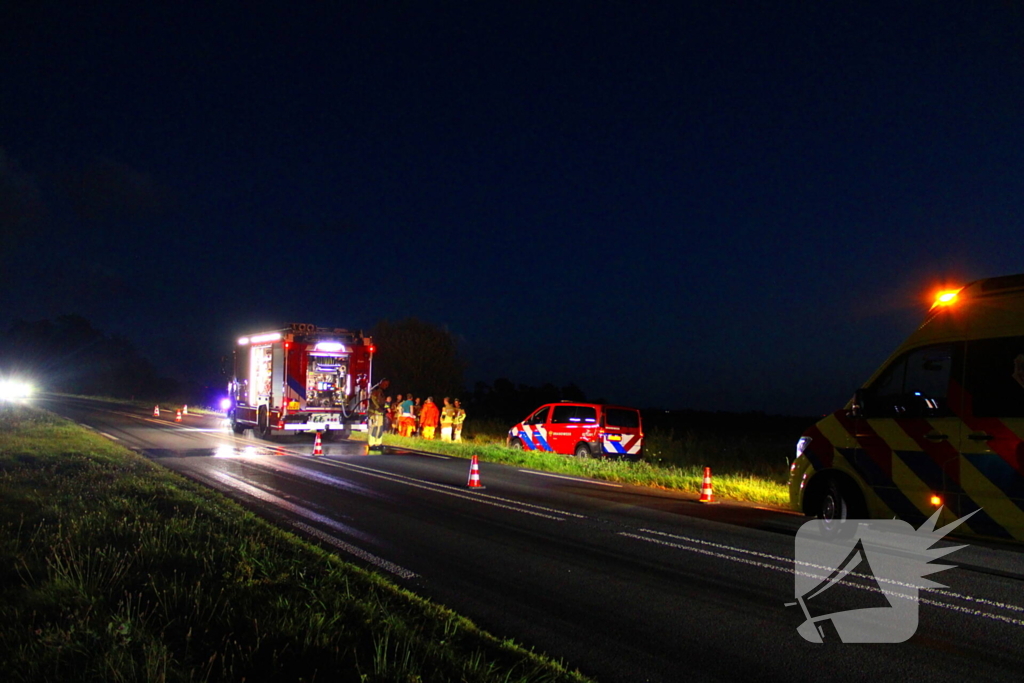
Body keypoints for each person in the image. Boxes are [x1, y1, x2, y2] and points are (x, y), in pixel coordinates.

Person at [367, 379, 389, 451]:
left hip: (380, 413)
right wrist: (378, 407)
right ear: (381, 383)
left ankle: (378, 443)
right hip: (374, 412)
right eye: (385, 384)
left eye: (387, 385)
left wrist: (385, 408)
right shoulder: (376, 390)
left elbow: (382, 401)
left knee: (380, 428)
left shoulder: (382, 391)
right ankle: (371, 443)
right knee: (374, 428)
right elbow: (373, 399)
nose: (386, 386)